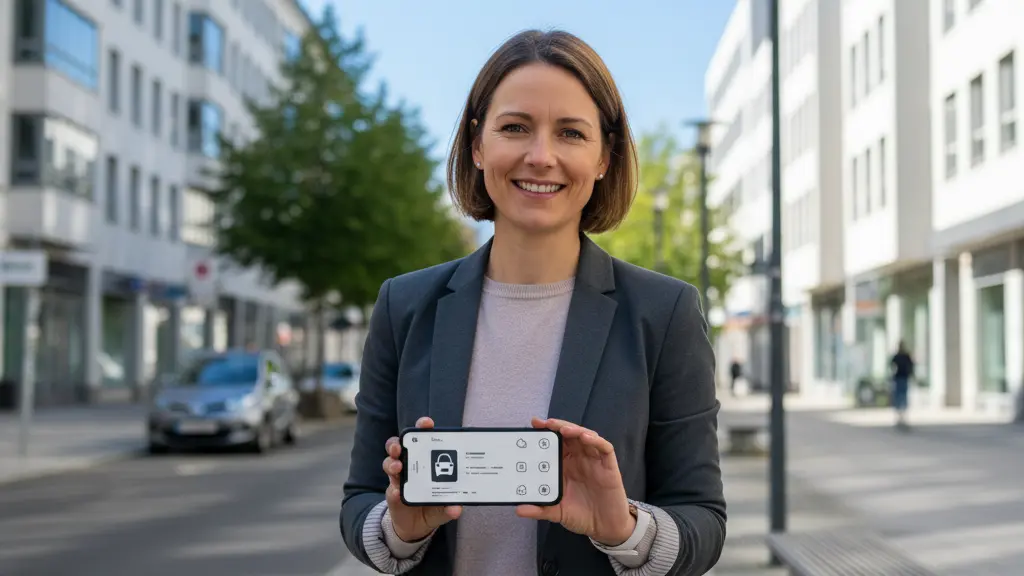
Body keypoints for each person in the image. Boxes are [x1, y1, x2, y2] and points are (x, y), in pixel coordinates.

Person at [340, 29, 726, 576]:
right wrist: (399, 529)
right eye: (515, 127)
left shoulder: (663, 314)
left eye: (570, 132)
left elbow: (703, 520)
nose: (540, 156)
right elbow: (359, 500)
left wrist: (624, 529)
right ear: (477, 145)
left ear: (603, 158)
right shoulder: (404, 306)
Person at [890, 340, 914, 430]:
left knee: (901, 396)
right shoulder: (901, 356)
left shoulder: (902, 356)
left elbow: (911, 366)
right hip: (901, 377)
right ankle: (900, 415)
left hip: (902, 377)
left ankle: (902, 415)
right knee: (900, 396)